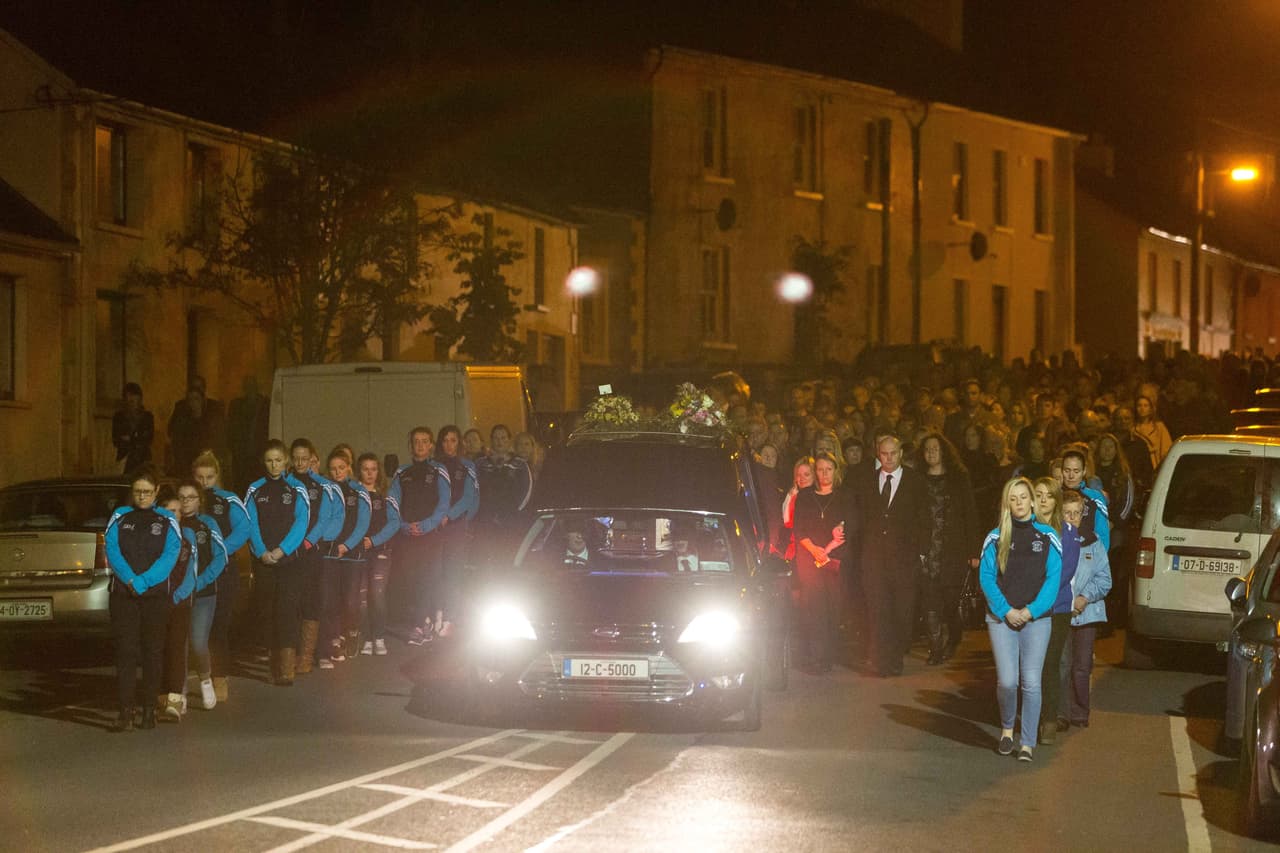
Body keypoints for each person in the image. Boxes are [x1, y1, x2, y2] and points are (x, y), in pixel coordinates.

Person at [979, 476, 1062, 762]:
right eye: (1013, 499)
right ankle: (1006, 729)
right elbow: (986, 578)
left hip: (1036, 620)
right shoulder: (995, 537)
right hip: (1001, 619)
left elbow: (1053, 579)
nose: (1019, 503)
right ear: (1007, 503)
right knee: (1007, 681)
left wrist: (1030, 611)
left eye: (1024, 497)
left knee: (1031, 682)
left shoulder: (1048, 536)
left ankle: (1027, 742)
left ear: (1033, 501)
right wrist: (1006, 611)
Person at [105, 469, 183, 731]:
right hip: (123, 595)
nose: (142, 496)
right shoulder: (120, 516)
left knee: (152, 651)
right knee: (126, 652)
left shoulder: (167, 519)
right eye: (138, 491)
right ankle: (125, 712)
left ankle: (149, 710)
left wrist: (145, 581)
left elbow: (170, 555)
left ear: (156, 491)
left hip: (154, 597)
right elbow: (112, 549)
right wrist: (130, 579)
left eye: (147, 492)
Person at [857, 434, 929, 677]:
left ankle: (895, 656)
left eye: (893, 453)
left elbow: (924, 518)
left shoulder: (916, 481)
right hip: (874, 559)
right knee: (878, 610)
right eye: (884, 454)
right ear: (878, 454)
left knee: (901, 610)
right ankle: (882, 660)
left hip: (904, 559)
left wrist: (921, 552)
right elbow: (862, 517)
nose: (889, 458)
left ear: (901, 454)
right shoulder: (868, 481)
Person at [244, 439, 310, 686]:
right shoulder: (255, 489)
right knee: (268, 611)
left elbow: (301, 522)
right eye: (269, 461)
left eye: (278, 460)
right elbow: (250, 523)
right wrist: (261, 551)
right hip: (264, 561)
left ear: (286, 462)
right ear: (264, 462)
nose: (274, 465)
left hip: (290, 560)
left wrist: (282, 550)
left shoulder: (297, 488)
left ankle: (286, 667)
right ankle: (273, 661)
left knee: (287, 609)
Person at [191, 451, 250, 703]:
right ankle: (195, 676)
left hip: (224, 570)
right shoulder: (189, 499)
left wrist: (219, 551)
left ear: (217, 476)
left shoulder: (228, 500)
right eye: (199, 477)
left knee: (219, 626)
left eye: (209, 477)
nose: (204, 482)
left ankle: (220, 677)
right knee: (194, 630)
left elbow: (244, 529)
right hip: (194, 573)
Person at [917, 432, 980, 664]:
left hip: (953, 549)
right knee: (930, 601)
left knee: (951, 601)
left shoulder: (958, 479)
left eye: (935, 448)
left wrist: (974, 551)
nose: (931, 452)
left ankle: (953, 639)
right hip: (926, 550)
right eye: (927, 449)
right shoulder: (917, 480)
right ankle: (935, 649)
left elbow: (969, 514)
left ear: (944, 451)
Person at [388, 427, 450, 645]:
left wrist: (426, 525)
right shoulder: (401, 472)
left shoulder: (439, 470)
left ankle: (421, 624)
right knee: (411, 580)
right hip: (407, 535)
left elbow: (444, 503)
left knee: (429, 578)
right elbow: (393, 502)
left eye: (425, 441)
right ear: (410, 446)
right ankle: (422, 620)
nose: (420, 445)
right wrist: (404, 526)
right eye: (416, 441)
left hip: (430, 535)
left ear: (431, 445)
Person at [791, 451, 848, 673]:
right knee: (814, 607)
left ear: (836, 471)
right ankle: (815, 657)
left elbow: (850, 524)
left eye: (829, 469)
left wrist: (828, 549)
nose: (824, 474)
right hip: (809, 558)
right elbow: (799, 528)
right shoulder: (806, 496)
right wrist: (814, 550)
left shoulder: (843, 496)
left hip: (833, 558)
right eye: (821, 470)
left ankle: (828, 656)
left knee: (832, 607)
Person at [289, 438, 343, 673]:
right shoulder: (286, 483)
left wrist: (309, 541)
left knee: (313, 601)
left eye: (305, 458)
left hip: (312, 551)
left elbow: (326, 518)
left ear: (312, 458)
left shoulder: (322, 485)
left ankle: (309, 655)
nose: (300, 463)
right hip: (289, 551)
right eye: (296, 458)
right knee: (291, 602)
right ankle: (289, 654)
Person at [175, 480, 228, 713]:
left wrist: (201, 581)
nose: (186, 502)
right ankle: (180, 690)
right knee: (179, 643)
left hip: (203, 594)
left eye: (191, 497)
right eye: (182, 497)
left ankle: (206, 680)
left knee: (198, 641)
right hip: (177, 595)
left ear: (199, 500)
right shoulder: (173, 523)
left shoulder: (208, 524)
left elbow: (220, 557)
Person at [1062, 489, 1112, 729]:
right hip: (1061, 612)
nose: (1072, 518)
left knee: (1082, 666)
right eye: (1067, 513)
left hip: (1087, 613)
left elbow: (1104, 578)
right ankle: (1060, 712)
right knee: (1062, 664)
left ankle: (1080, 711)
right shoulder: (1055, 541)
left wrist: (1085, 597)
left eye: (1077, 513)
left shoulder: (1093, 542)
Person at [320, 449, 371, 667]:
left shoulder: (359, 491)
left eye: (341, 467)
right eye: (333, 469)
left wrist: (346, 545)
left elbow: (363, 523)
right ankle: (334, 638)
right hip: (330, 554)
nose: (337, 472)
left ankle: (352, 631)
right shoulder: (327, 490)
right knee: (330, 599)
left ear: (349, 467)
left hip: (352, 554)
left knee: (350, 600)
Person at [433, 425, 478, 638]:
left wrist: (450, 516)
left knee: (453, 574)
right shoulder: (434, 466)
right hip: (435, 526)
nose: (449, 445)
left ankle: (451, 617)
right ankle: (437, 613)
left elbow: (469, 498)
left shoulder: (467, 466)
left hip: (456, 526)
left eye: (453, 440)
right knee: (435, 573)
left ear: (459, 442)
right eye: (445, 440)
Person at [356, 452, 399, 655]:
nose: (369, 473)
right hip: (358, 552)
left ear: (378, 471)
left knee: (377, 594)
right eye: (365, 469)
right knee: (361, 598)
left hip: (380, 551)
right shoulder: (354, 495)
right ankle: (366, 637)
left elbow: (394, 523)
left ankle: (379, 636)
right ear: (359, 471)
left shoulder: (386, 495)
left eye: (373, 469)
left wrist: (373, 540)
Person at [474, 424, 533, 568]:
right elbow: (473, 489)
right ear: (491, 440)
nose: (499, 441)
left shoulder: (520, 464)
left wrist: (514, 513)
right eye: (496, 438)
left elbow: (527, 491)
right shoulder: (480, 464)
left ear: (509, 440)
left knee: (508, 559)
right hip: (486, 521)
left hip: (511, 521)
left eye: (503, 438)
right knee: (485, 561)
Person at [1060, 446, 1110, 552]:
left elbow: (1103, 533)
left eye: (1076, 471)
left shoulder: (1095, 497)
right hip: (1059, 553)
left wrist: (1099, 557)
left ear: (1084, 471)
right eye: (1067, 470)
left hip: (1087, 553)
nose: (1071, 476)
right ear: (1061, 471)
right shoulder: (1054, 495)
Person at [111, 382, 155, 474]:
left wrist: (130, 439)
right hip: (124, 460)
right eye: (129, 401)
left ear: (140, 400)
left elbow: (148, 439)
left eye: (134, 401)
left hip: (143, 460)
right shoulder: (119, 417)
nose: (132, 405)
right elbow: (116, 439)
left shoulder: (147, 417)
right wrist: (136, 438)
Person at [781, 455, 816, 562]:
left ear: (814, 475)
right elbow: (787, 522)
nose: (802, 478)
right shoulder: (793, 495)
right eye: (798, 475)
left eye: (806, 474)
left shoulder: (821, 496)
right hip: (796, 551)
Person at [1133, 394, 1173, 473]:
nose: (1142, 408)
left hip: (1155, 464)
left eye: (1145, 405)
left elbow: (1166, 448)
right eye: (1139, 405)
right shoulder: (1132, 428)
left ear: (1150, 409)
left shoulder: (1159, 427)